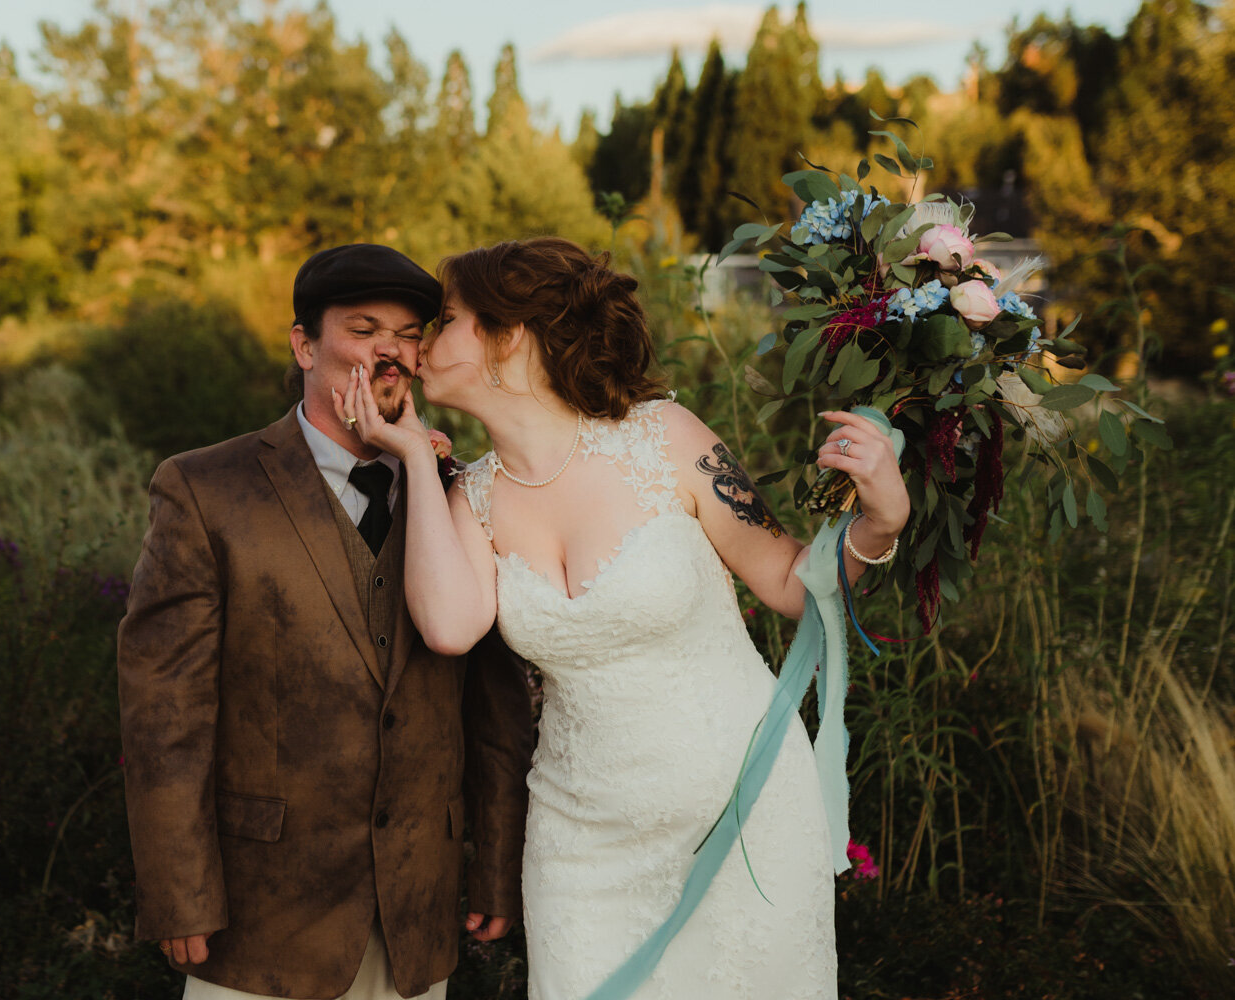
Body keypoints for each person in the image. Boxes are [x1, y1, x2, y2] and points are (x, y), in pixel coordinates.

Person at [339, 237, 910, 999]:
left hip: (741, 814)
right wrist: (412, 455)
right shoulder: (467, 499)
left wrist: (881, 523)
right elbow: (449, 627)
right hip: (581, 845)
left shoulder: (664, 437)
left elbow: (789, 581)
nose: (421, 343)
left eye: (446, 320)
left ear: (510, 337)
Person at [117, 243, 534, 1000]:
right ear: (304, 345)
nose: (389, 349)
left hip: (416, 909)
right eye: (363, 327)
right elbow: (164, 716)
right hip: (261, 913)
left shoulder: (460, 493)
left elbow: (496, 708)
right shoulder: (205, 489)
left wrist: (496, 867)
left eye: (409, 333)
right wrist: (180, 892)